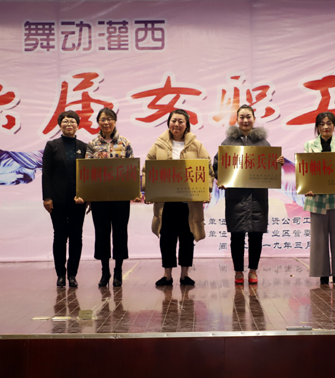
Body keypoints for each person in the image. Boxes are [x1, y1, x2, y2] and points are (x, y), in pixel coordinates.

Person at [213, 104, 284, 285]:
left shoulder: (263, 143)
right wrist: (221, 179)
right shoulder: (228, 143)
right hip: (236, 197)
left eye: (248, 117)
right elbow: (217, 165)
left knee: (256, 235)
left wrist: (278, 163)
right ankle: (238, 271)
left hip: (257, 197)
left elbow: (271, 168)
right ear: (237, 120)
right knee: (236, 235)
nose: (245, 120)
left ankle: (253, 270)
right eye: (242, 117)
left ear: (254, 119)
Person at [144, 109, 214, 287]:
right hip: (166, 201)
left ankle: (185, 275)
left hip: (188, 201)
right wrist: (148, 190)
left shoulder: (196, 145)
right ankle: (167, 275)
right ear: (168, 123)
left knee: (187, 237)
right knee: (166, 238)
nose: (176, 124)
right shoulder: (158, 145)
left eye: (181, 121)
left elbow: (207, 169)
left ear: (186, 125)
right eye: (174, 120)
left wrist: (206, 190)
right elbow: (147, 170)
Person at [86, 107, 138, 288]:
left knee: (120, 233)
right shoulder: (92, 144)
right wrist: (87, 195)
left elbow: (132, 169)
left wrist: (134, 192)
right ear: (98, 122)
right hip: (99, 198)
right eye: (103, 119)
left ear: (115, 121)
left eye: (109, 119)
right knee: (101, 234)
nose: (106, 122)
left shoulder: (124, 143)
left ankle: (118, 270)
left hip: (120, 197)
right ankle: (104, 271)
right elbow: (87, 172)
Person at [303, 112, 335, 285]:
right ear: (317, 127)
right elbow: (306, 171)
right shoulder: (309, 145)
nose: (325, 127)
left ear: (334, 125)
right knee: (319, 239)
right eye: (321, 124)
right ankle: (322, 274)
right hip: (316, 198)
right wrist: (307, 188)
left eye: (329, 123)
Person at [42, 110, 88, 288]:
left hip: (78, 200)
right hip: (57, 200)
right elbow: (46, 173)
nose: (69, 124)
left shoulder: (84, 147)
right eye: (65, 121)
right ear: (60, 125)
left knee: (76, 237)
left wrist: (87, 196)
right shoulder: (52, 145)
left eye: (72, 121)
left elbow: (88, 174)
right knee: (60, 236)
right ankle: (60, 274)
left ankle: (73, 274)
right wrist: (47, 197)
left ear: (78, 125)